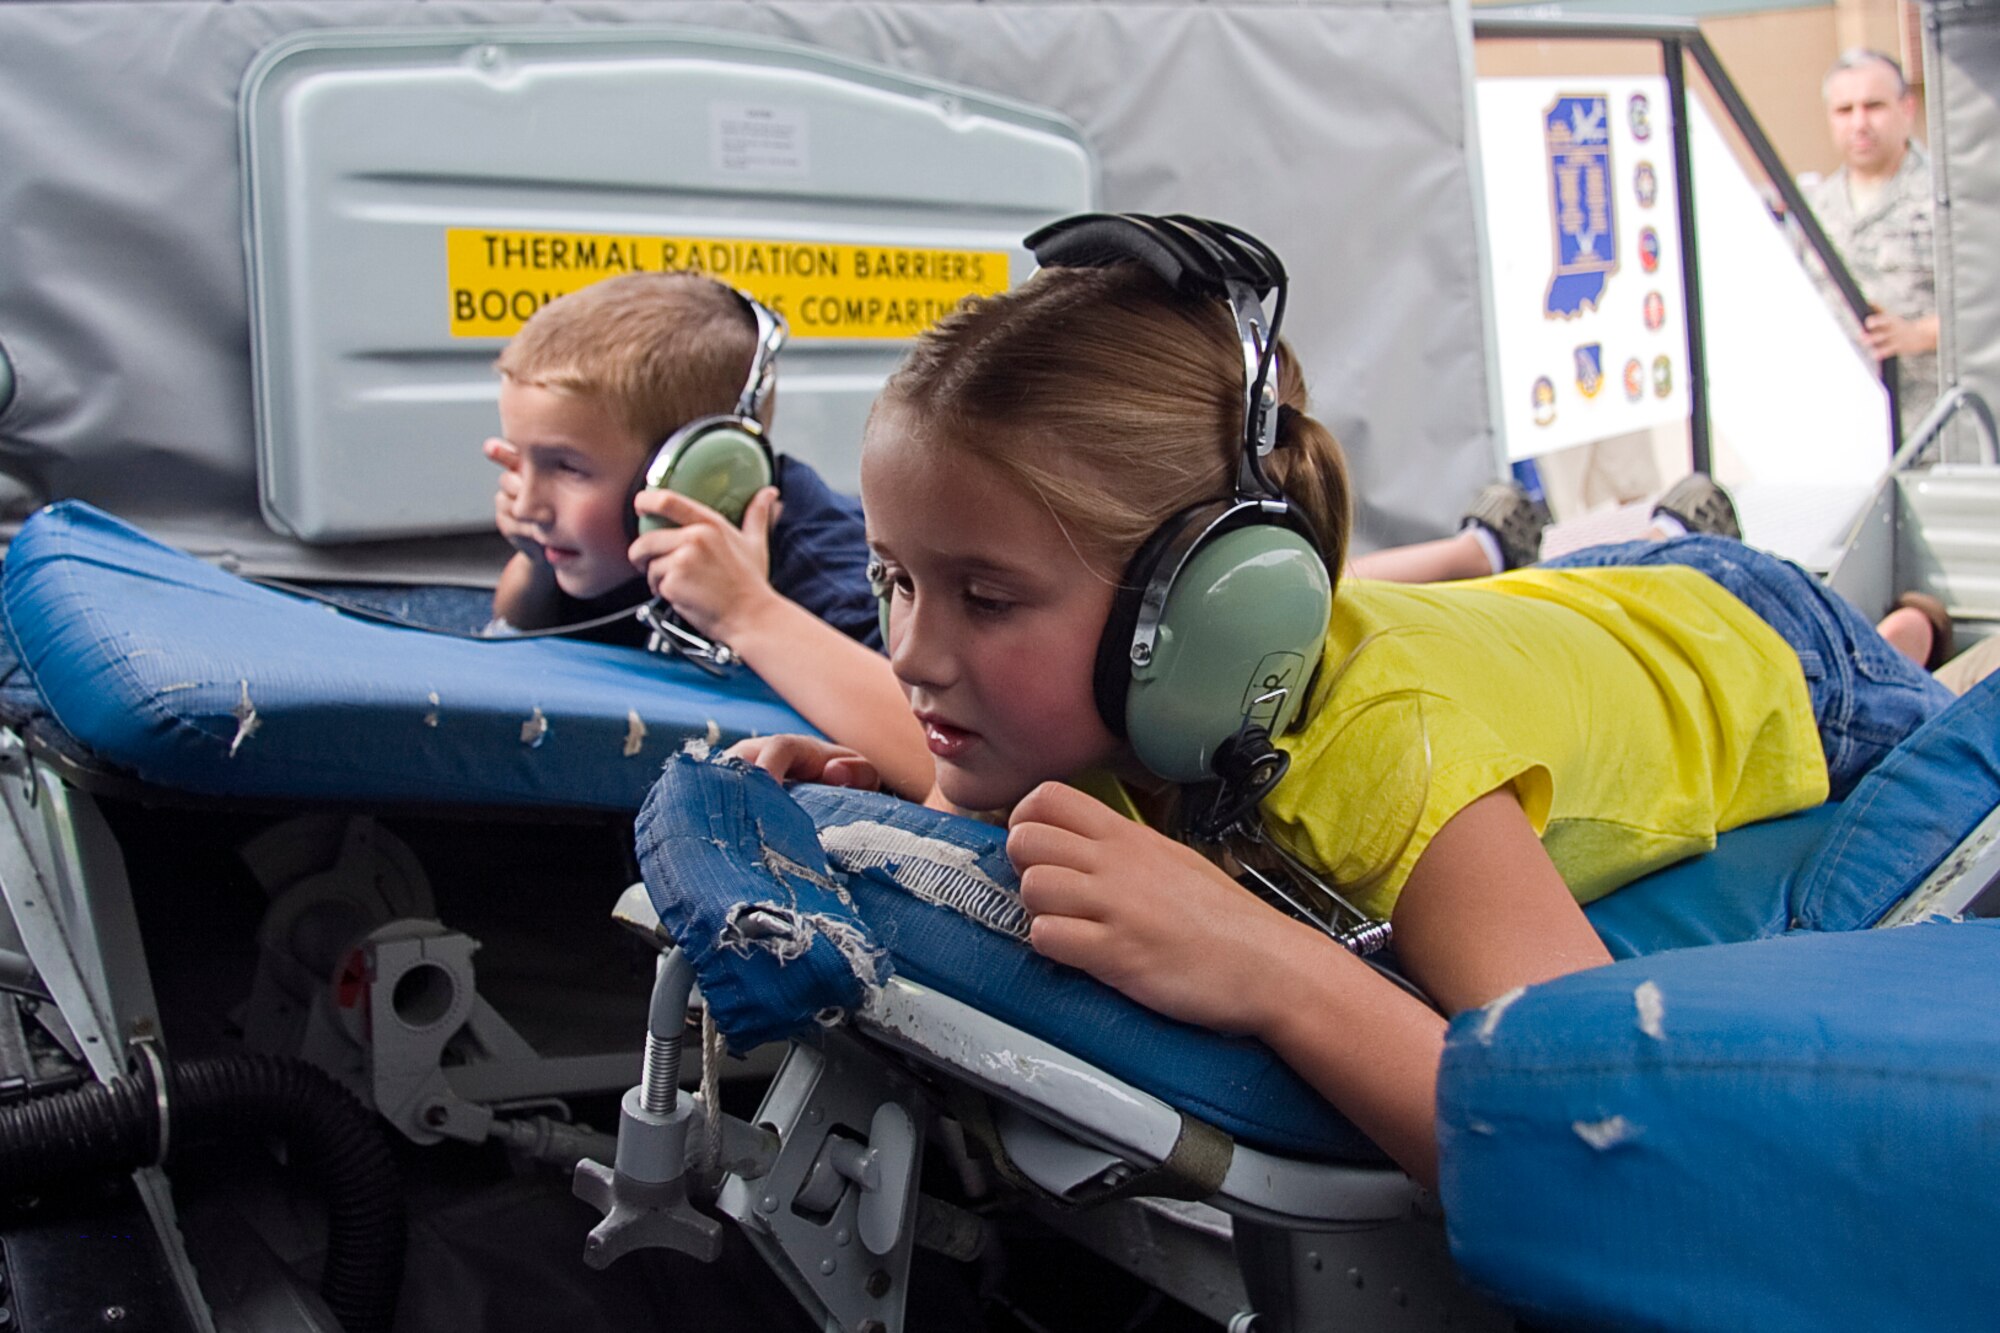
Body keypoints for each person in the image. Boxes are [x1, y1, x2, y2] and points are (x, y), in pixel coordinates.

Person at [730, 236, 1959, 1189]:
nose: (909, 652)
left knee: (1892, 658)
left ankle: (1907, 624)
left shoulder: (1388, 754)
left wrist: (1269, 967)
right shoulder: (1087, 708)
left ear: (1202, 613)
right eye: (894, 579)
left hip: (1762, 652)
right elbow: (965, 819)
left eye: (983, 596)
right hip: (1569, 613)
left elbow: (1595, 1127)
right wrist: (887, 799)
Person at [484, 272, 931, 799]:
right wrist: (538, 563)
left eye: (566, 468)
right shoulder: (614, 547)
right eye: (519, 463)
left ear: (695, 470)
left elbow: (939, 756)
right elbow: (511, 630)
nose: (530, 504)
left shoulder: (825, 564)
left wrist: (747, 611)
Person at [1801, 49, 1939, 438]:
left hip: (1933, 432)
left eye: (1874, 106)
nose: (1859, 123)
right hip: (1846, 433)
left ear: (1907, 108)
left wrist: (1922, 334)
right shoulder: (1813, 209)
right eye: (1844, 110)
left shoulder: (1952, 199)